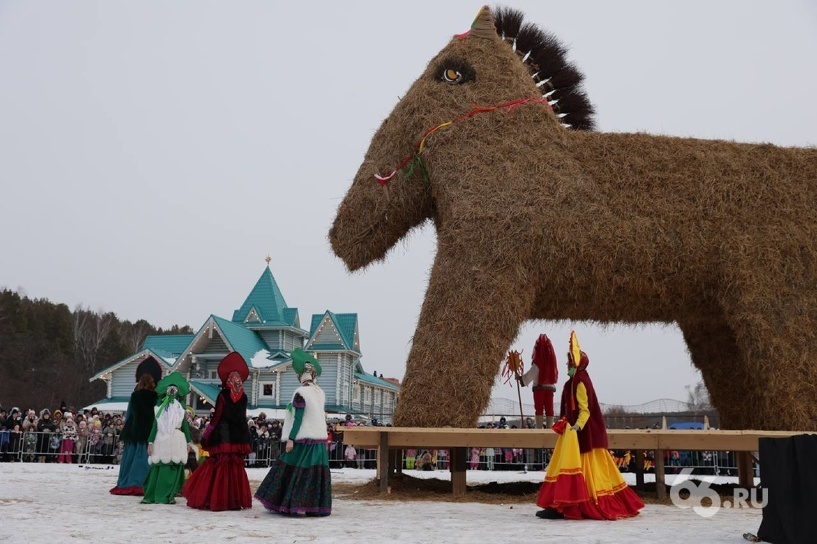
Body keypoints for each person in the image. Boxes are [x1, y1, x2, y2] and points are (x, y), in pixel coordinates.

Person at [535, 331, 644, 520]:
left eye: (569, 361)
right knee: (581, 470)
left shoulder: (580, 382)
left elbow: (585, 409)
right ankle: (563, 504)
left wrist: (577, 426)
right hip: (576, 435)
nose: (567, 364)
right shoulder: (575, 380)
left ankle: (570, 505)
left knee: (580, 470)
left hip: (584, 437)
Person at [255, 348, 332, 516]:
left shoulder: (300, 393)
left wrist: (290, 439)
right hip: (319, 440)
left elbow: (298, 419)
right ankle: (315, 506)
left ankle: (290, 503)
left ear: (300, 377)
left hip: (303, 439)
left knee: (292, 468)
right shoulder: (320, 393)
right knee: (314, 472)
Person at [183, 351, 253, 511]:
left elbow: (217, 417)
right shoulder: (243, 397)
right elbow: (242, 416)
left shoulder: (223, 395)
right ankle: (234, 501)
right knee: (235, 468)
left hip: (224, 434)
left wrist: (206, 435)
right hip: (239, 436)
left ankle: (219, 499)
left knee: (220, 466)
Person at [141, 371, 193, 505]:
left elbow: (185, 426)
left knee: (174, 467)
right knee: (159, 467)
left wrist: (188, 441)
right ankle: (157, 494)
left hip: (176, 439)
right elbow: (155, 425)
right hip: (162, 439)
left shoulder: (180, 409)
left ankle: (169, 495)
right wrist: (150, 442)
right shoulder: (159, 408)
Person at [110, 357, 161, 495]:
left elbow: (130, 414)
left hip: (134, 430)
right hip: (148, 430)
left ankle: (126, 482)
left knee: (130, 458)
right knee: (143, 458)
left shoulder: (134, 396)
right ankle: (141, 483)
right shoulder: (156, 397)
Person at [519, 333, 559, 428]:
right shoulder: (551, 362)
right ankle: (549, 429)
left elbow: (532, 373)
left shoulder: (538, 361)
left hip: (539, 389)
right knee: (550, 409)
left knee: (539, 409)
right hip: (550, 389)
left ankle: (539, 429)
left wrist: (521, 378)